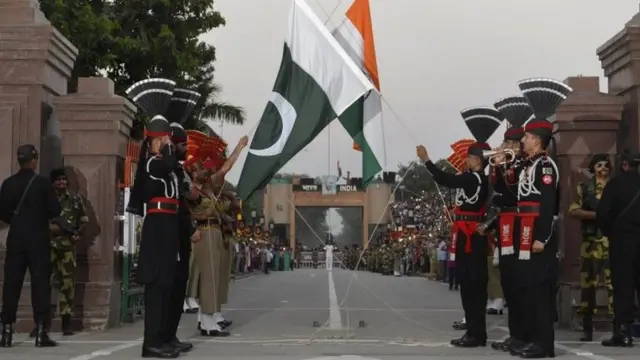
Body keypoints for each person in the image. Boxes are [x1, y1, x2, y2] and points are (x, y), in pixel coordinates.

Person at [416, 105, 503, 347]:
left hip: (470, 236)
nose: (465, 159)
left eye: (469, 156)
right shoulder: (480, 180)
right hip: (467, 234)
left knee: (472, 284)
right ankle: (474, 331)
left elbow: (445, 179)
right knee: (469, 283)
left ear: (477, 160)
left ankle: (476, 333)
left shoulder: (472, 178)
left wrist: (426, 160)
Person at [509, 77, 572, 358]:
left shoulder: (545, 166)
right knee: (527, 289)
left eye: (526, 137)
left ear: (537, 140)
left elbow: (547, 205)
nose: (522, 141)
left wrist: (541, 237)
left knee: (539, 291)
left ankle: (544, 345)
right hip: (525, 231)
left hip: (537, 234)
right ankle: (532, 339)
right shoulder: (528, 165)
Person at [125, 78, 181, 358]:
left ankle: (162, 338)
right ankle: (150, 343)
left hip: (168, 226)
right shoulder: (151, 163)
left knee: (166, 286)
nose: (167, 143)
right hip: (158, 226)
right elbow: (168, 163)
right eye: (163, 139)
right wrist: (167, 148)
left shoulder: (164, 166)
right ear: (153, 140)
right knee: (156, 288)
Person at [0, 145, 61, 348]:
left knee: (11, 284)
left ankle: (6, 332)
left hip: (16, 238)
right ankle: (41, 332)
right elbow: (55, 209)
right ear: (33, 160)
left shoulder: (8, 184)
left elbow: (3, 213)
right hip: (38, 238)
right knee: (40, 284)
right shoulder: (42, 184)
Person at [485, 95, 532, 352]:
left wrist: (508, 166)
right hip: (505, 226)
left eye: (510, 142)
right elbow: (498, 191)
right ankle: (516, 334)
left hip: (521, 228)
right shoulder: (504, 165)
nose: (505, 146)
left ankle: (524, 334)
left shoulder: (528, 165)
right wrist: (498, 167)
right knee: (509, 282)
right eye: (506, 142)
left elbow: (516, 191)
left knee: (520, 282)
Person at [161, 88, 202, 354]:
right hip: (170, 236)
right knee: (170, 287)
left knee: (179, 287)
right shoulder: (163, 169)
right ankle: (162, 336)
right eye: (182, 145)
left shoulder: (179, 170)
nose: (186, 150)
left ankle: (171, 334)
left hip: (183, 234)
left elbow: (192, 199)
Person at [31, 168, 88, 337]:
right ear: (53, 182)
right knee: (43, 285)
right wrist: (50, 229)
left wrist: (78, 233)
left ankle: (66, 323)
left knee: (67, 285)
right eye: (58, 180)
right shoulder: (45, 200)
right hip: (47, 246)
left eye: (64, 180)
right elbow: (36, 220)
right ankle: (41, 323)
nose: (62, 182)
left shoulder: (75, 200)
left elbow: (84, 220)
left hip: (67, 248)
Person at [596, 151, 640, 347]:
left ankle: (623, 332)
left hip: (623, 242)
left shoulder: (614, 185)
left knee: (623, 287)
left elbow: (603, 213)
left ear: (623, 164)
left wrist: (610, 232)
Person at [569, 153, 613, 342]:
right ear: (593, 168)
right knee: (588, 286)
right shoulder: (585, 188)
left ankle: (619, 327)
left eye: (606, 165)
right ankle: (587, 327)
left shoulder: (615, 187)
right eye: (599, 165)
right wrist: (595, 215)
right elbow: (573, 210)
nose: (603, 168)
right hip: (591, 242)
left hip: (612, 241)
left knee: (615, 284)